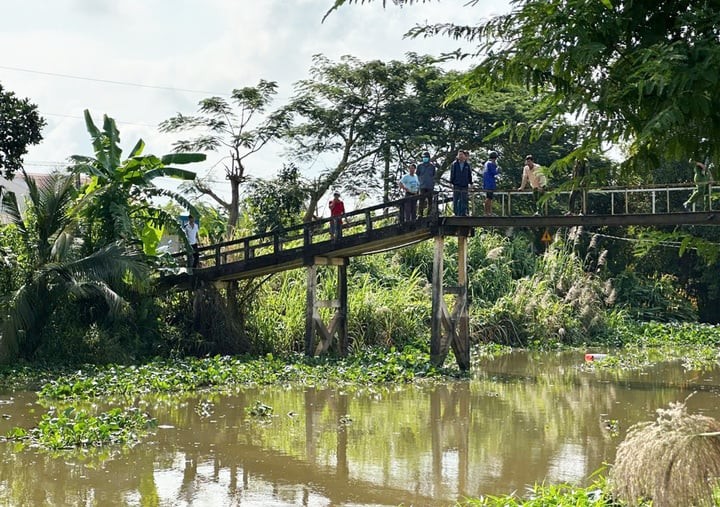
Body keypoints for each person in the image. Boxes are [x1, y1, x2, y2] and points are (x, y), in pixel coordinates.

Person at [450, 149, 472, 216]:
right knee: (456, 199)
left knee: (464, 199)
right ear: (457, 156)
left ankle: (463, 213)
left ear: (464, 156)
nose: (461, 156)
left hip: (464, 184)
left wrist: (471, 183)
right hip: (456, 184)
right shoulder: (454, 164)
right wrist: (451, 182)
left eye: (462, 155)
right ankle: (455, 213)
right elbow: (452, 174)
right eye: (459, 155)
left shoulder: (467, 165)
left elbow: (469, 174)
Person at [416, 151, 437, 217]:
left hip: (430, 186)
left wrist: (433, 183)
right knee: (421, 200)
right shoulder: (419, 166)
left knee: (430, 201)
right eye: (424, 157)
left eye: (426, 157)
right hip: (422, 186)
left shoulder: (432, 167)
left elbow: (434, 175)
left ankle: (429, 214)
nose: (425, 158)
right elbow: (417, 175)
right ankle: (420, 214)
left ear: (429, 158)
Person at [482, 151, 501, 215]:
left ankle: (488, 212)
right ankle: (488, 212)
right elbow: (494, 172)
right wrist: (498, 169)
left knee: (489, 197)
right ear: (495, 158)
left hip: (486, 183)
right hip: (490, 184)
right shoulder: (490, 163)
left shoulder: (486, 163)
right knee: (489, 198)